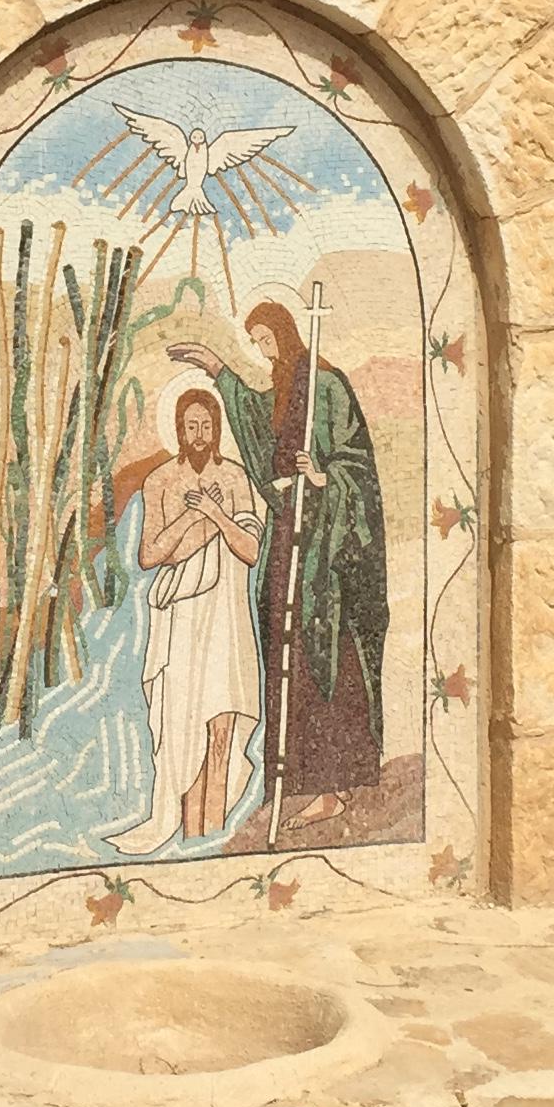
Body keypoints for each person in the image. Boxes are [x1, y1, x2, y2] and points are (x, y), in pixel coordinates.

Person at [166, 301, 387, 827]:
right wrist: (217, 368)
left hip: (326, 552)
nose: (265, 353)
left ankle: (334, 785)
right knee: (284, 646)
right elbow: (258, 424)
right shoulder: (286, 390)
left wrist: (324, 477)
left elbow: (360, 467)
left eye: (267, 342)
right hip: (289, 534)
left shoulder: (327, 386)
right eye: (258, 344)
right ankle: (298, 781)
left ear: (286, 336)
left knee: (325, 654)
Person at [110, 387, 265, 855]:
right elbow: (150, 555)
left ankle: (210, 834)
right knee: (185, 728)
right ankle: (191, 834)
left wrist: (215, 512)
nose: (199, 435)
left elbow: (250, 550)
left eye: (207, 426)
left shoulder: (235, 478)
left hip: (226, 616)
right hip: (181, 620)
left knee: (222, 725)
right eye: (191, 426)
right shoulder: (160, 481)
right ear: (179, 430)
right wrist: (195, 519)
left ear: (217, 430)